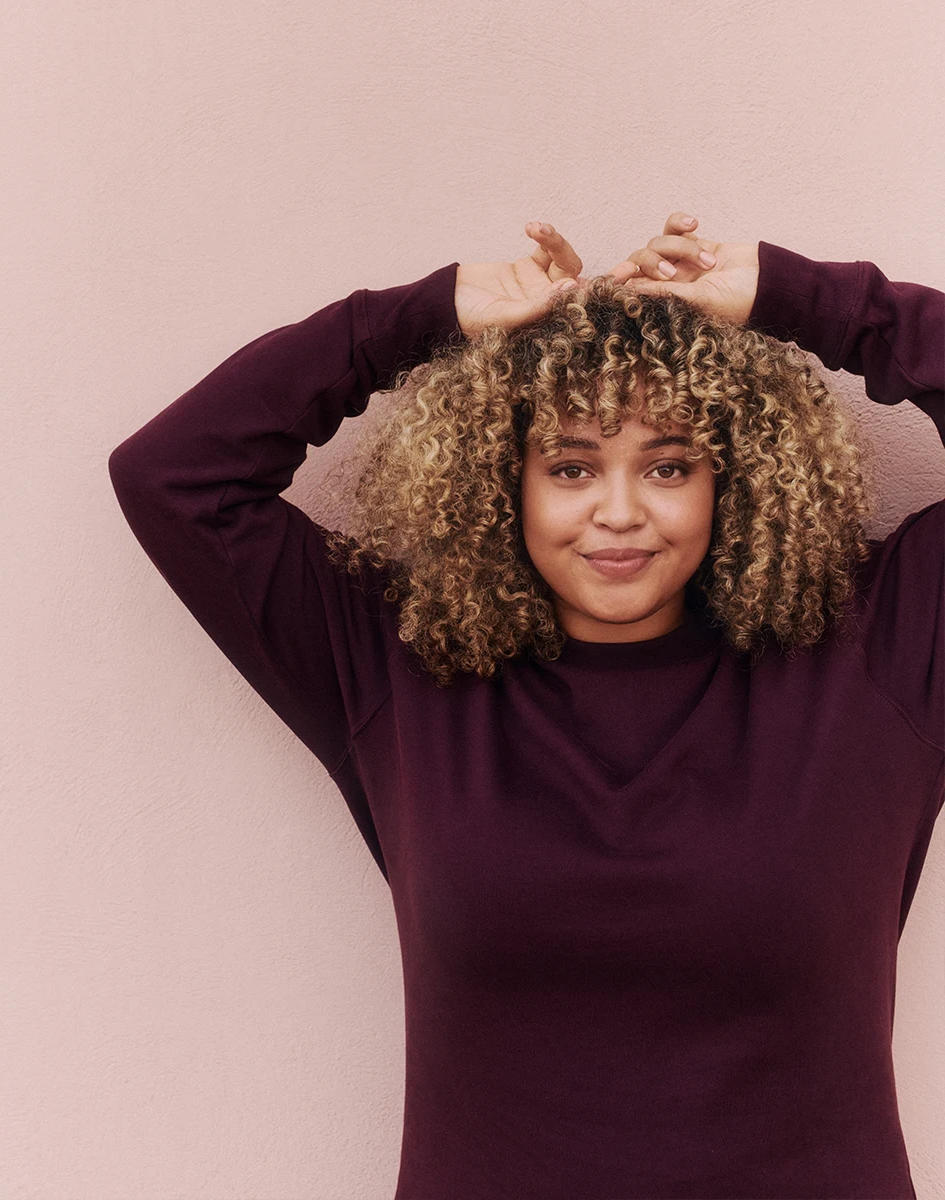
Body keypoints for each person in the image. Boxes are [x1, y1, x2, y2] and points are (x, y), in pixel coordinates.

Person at [108, 209, 944, 1200]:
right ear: (509, 484)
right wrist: (417, 319)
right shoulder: (402, 667)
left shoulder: (875, 654)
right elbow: (175, 476)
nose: (620, 512)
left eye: (669, 466)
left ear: (736, 482)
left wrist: (810, 301)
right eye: (573, 467)